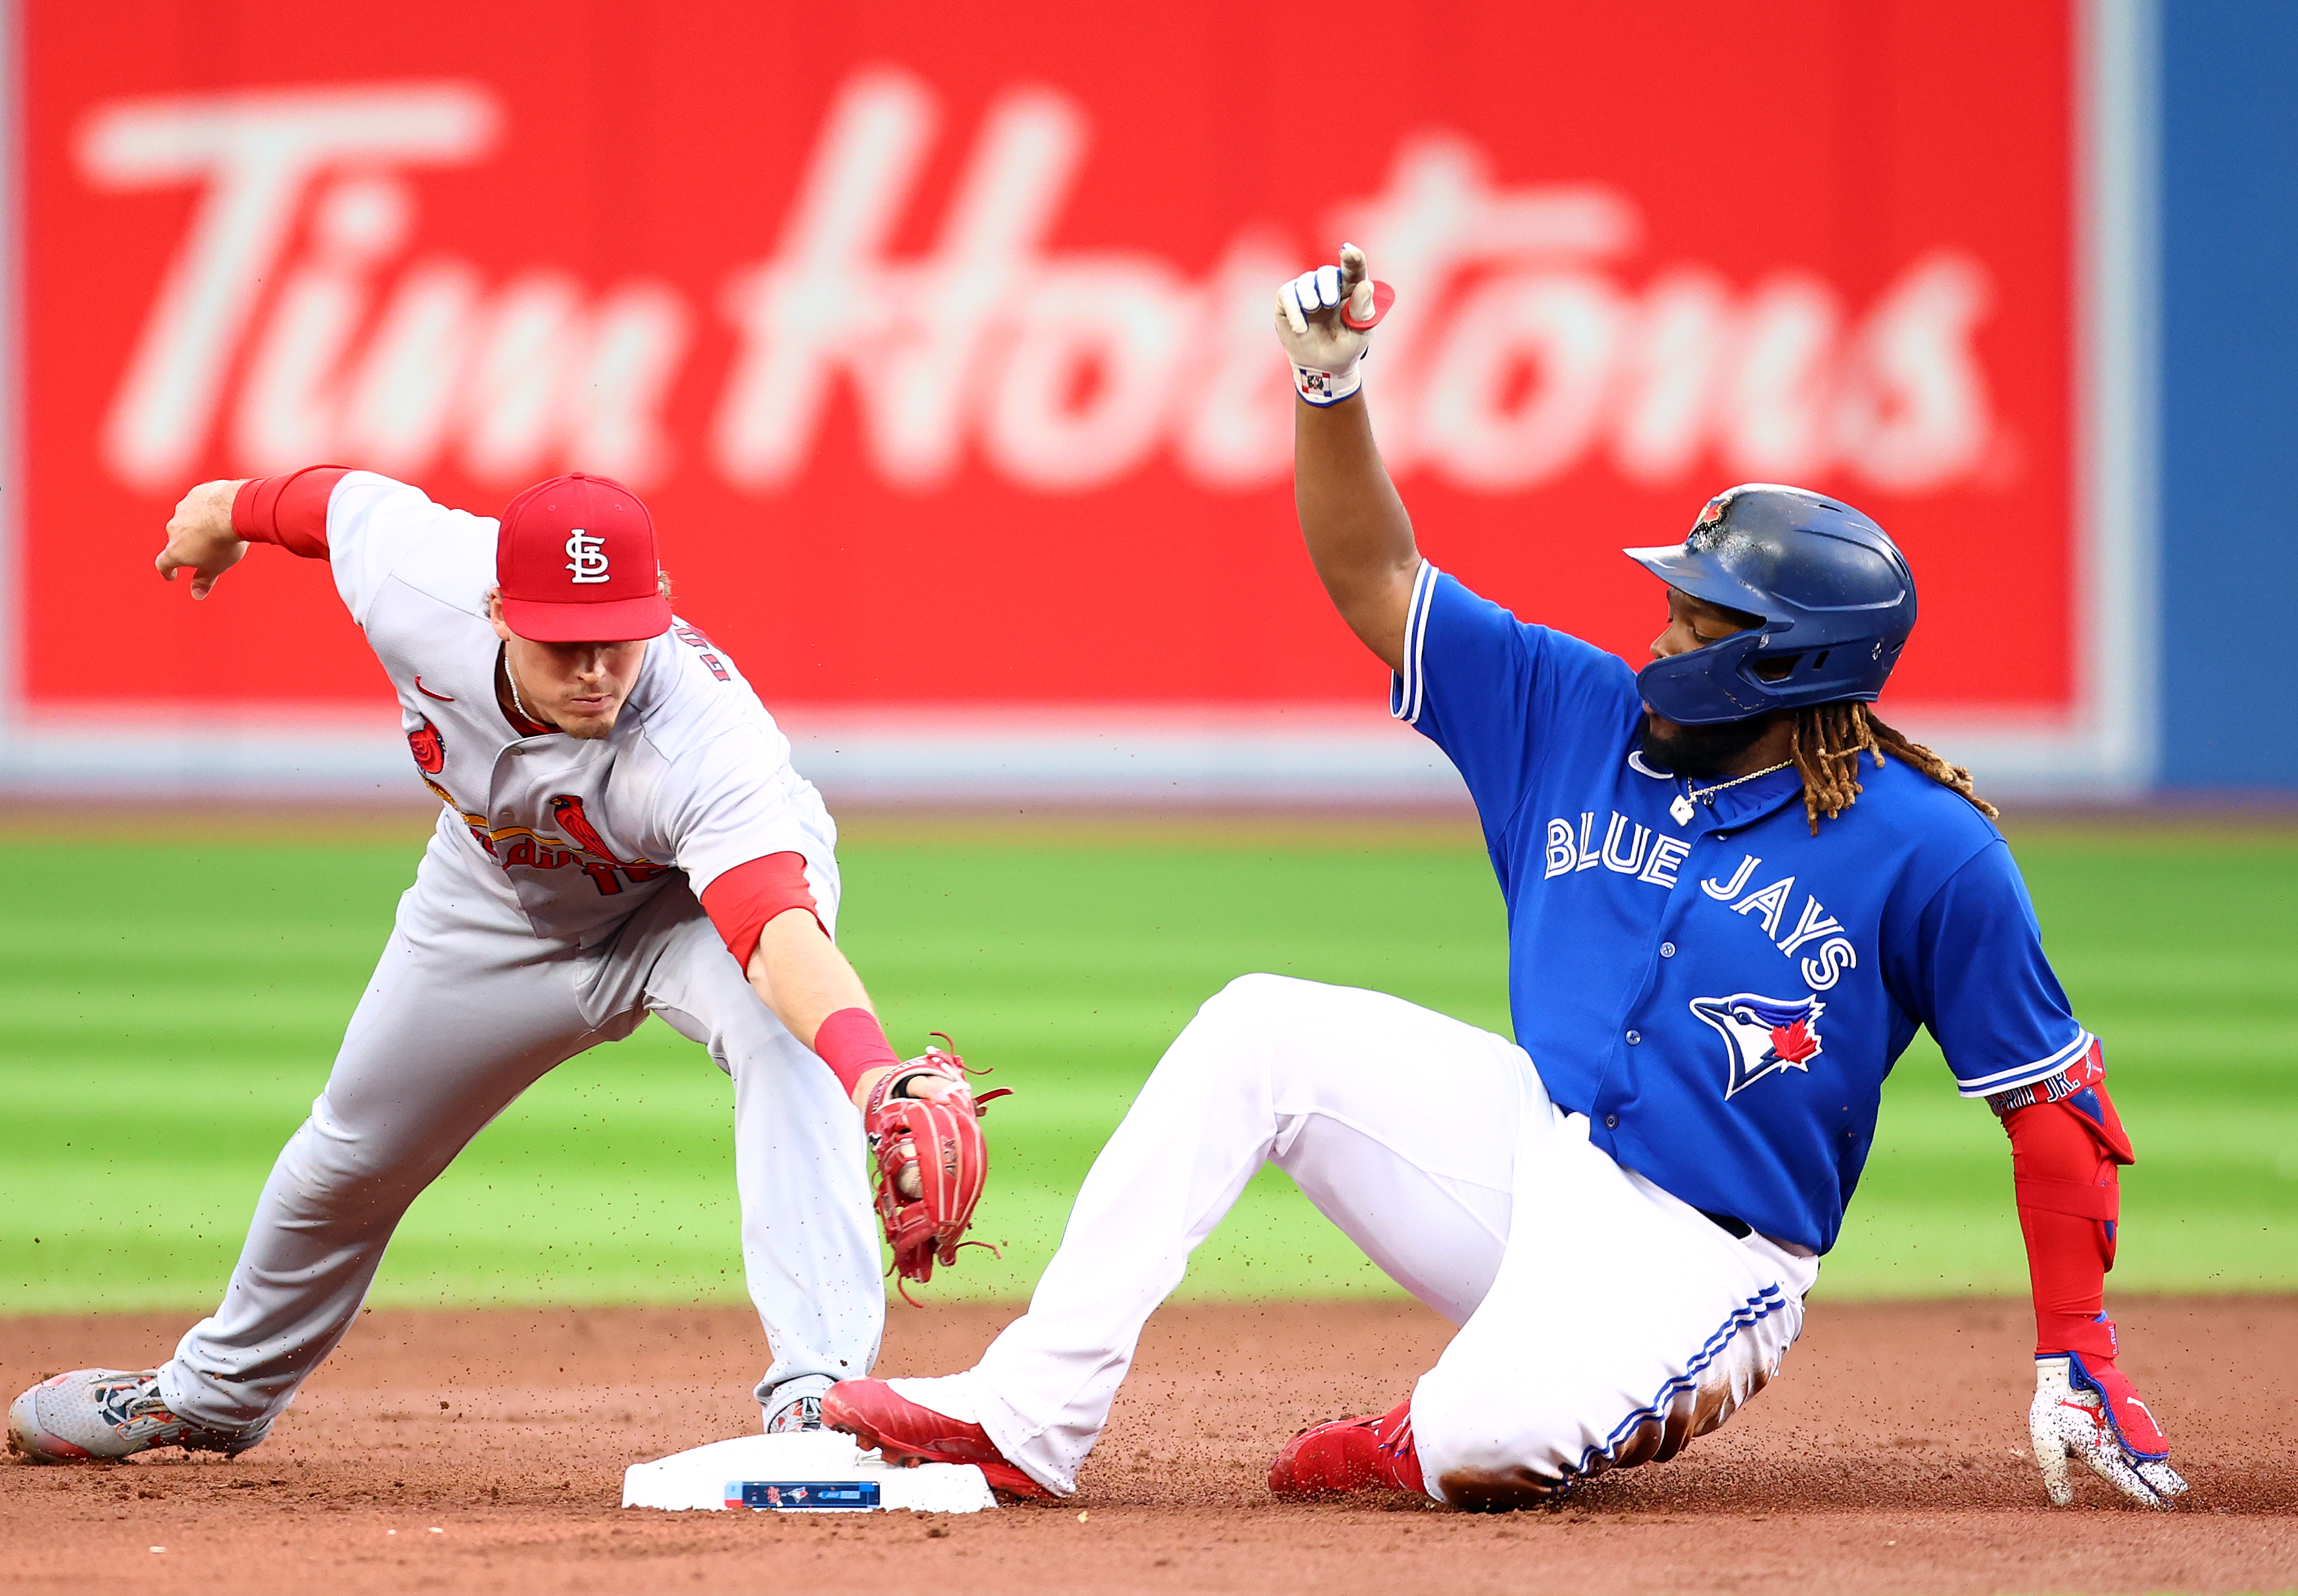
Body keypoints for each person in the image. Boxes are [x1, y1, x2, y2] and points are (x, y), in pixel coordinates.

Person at [815, 247, 2187, 1512]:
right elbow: (1376, 572)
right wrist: (1327, 383)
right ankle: (1028, 1414)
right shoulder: (1574, 711)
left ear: (1789, 660)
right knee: (1259, 1025)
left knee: (1482, 1440)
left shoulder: (1928, 846)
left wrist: (2080, 1349)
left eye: (1700, 615)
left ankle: (1438, 1421)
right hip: (1530, 1155)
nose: (1661, 629)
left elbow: (2051, 1098)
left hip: (1708, 1255)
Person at [9, 468, 993, 1463]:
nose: (597, 669)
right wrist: (219, 514)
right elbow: (315, 502)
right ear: (495, 611)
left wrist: (877, 1078)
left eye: (620, 634)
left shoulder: (707, 743)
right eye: (565, 643)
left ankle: (818, 1395)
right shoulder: (414, 579)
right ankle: (212, 1395)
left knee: (780, 1039)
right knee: (349, 1153)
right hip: (491, 902)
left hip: (682, 910)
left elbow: (774, 932)